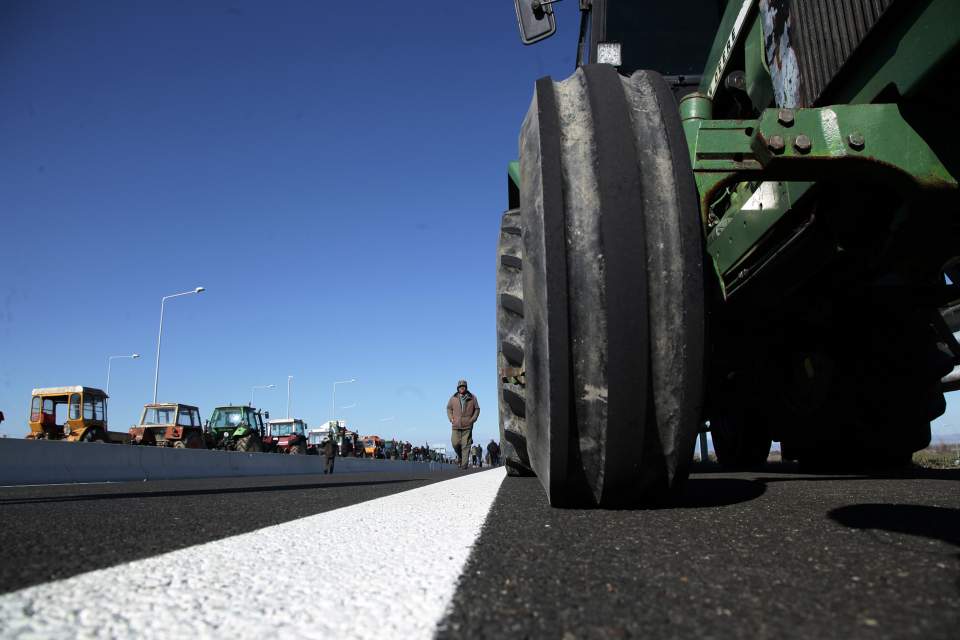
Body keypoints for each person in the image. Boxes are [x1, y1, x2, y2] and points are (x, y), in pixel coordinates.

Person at [447, 379, 479, 469]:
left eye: (463, 386)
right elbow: (448, 408)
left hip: (467, 425)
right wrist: (451, 418)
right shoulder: (453, 398)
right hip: (455, 425)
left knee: (466, 445)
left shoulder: (472, 397)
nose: (462, 388)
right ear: (458, 388)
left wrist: (473, 419)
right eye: (460, 387)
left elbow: (477, 409)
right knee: (455, 443)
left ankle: (464, 464)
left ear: (466, 387)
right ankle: (461, 456)